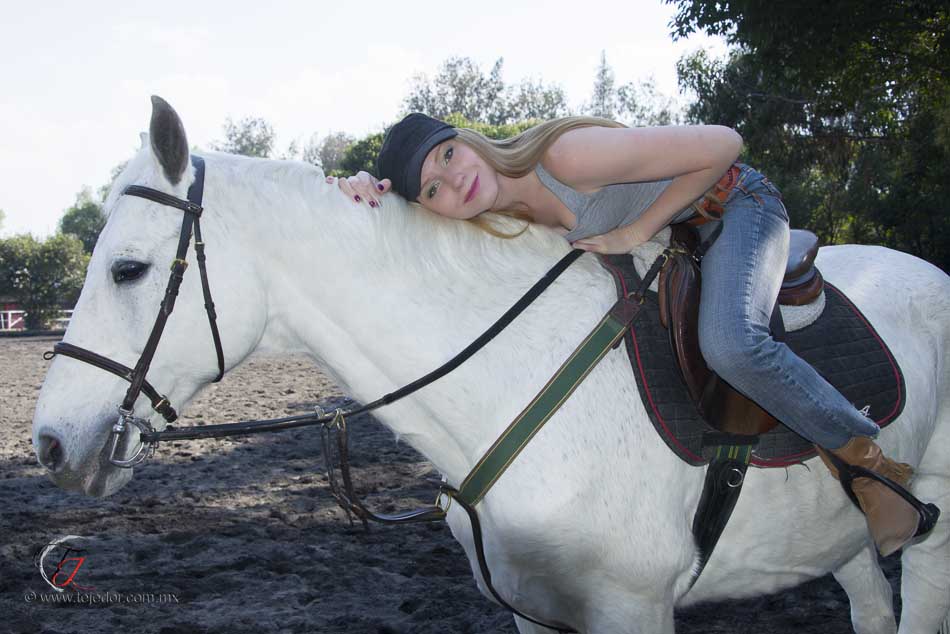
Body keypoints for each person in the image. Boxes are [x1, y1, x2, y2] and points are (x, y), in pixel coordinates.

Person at [329, 112, 932, 556]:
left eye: (446, 156)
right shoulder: (493, 215)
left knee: (732, 343)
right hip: (671, 238)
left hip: (731, 207)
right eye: (431, 189)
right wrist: (363, 188)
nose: (451, 181)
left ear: (466, 140)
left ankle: (869, 462)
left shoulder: (565, 158)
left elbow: (726, 143)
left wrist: (634, 230)